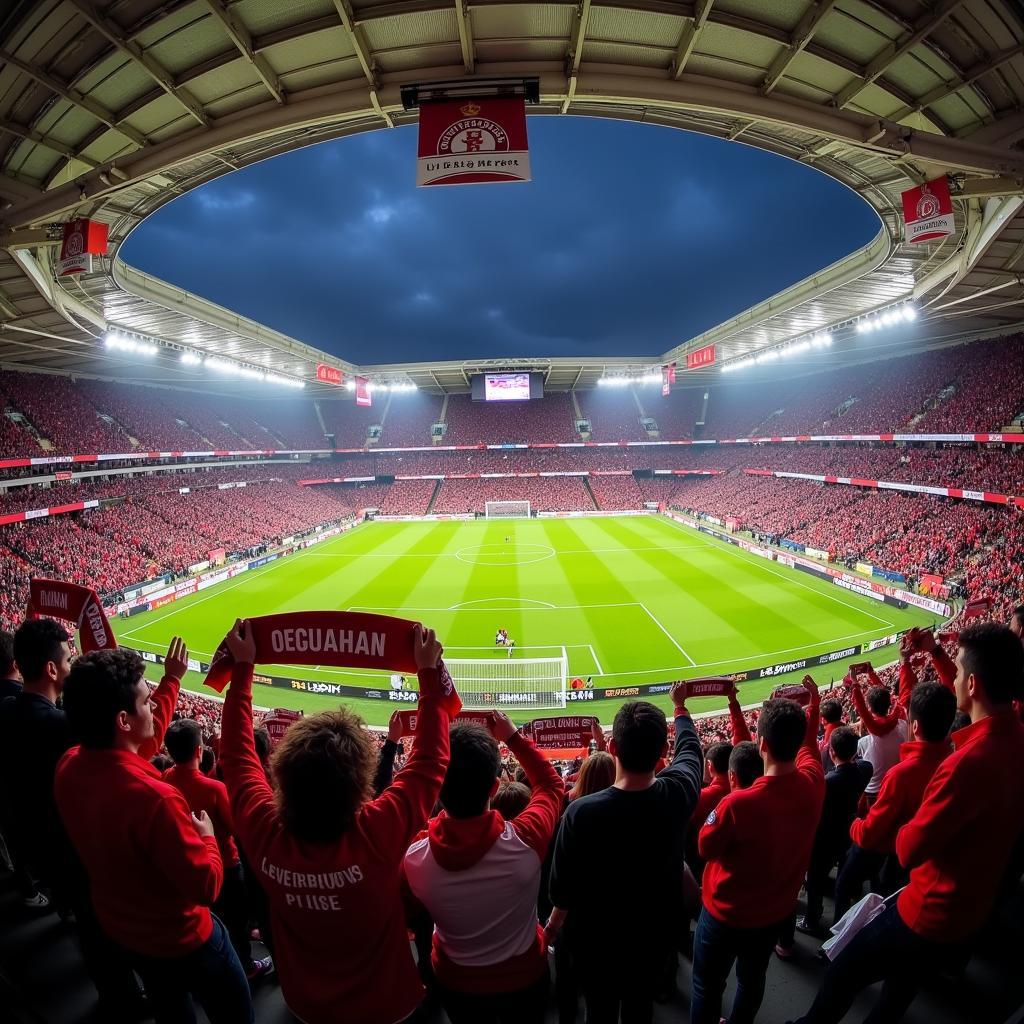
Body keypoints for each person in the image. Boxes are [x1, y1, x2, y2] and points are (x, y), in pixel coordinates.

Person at [218, 619, 453, 1024]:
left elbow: (237, 763)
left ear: (282, 774)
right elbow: (431, 761)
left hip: (306, 1005)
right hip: (387, 1005)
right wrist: (428, 675)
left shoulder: (265, 833)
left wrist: (242, 672)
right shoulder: (376, 832)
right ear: (361, 781)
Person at [792, 623, 1024, 1024]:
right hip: (973, 908)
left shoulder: (964, 766)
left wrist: (895, 816)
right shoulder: (1016, 734)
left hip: (929, 910)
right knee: (898, 994)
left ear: (973, 685)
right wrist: (935, 652)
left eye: (961, 672)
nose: (956, 679)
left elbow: (907, 848)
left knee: (842, 973)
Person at [55, 640, 253, 1024]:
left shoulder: (69, 766)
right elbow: (207, 886)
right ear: (123, 721)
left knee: (172, 1011)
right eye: (147, 702)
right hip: (183, 940)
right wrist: (208, 837)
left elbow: (135, 749)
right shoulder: (157, 799)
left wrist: (170, 682)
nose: (154, 707)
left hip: (124, 932)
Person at [0, 618, 145, 1018]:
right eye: (68, 657)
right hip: (71, 847)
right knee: (100, 929)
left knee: (85, 920)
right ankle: (124, 1000)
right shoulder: (62, 727)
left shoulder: (9, 708)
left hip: (34, 843)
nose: (71, 662)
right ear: (51, 668)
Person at [544, 682, 703, 1024]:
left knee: (599, 1012)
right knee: (639, 1008)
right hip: (652, 941)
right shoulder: (678, 794)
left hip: (595, 946)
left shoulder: (580, 813)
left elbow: (561, 891)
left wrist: (553, 926)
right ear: (663, 752)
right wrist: (681, 709)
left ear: (612, 746)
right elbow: (691, 752)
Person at [404, 711, 563, 1023]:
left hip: (456, 985)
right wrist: (512, 737)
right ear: (494, 787)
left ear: (437, 789)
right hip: (526, 980)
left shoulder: (414, 858)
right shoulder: (526, 839)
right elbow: (549, 784)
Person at [690, 677, 824, 1024]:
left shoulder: (737, 804)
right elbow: (808, 739)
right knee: (752, 981)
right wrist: (815, 703)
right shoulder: (813, 782)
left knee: (706, 985)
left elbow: (705, 846)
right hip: (774, 914)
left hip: (725, 915)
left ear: (761, 743)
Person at [163, 718, 272, 983]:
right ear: (199, 751)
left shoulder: (166, 777)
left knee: (218, 915)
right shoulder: (213, 788)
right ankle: (246, 965)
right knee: (235, 918)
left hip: (191, 861)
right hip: (225, 862)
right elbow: (236, 827)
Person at [797, 726, 871, 935]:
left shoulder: (827, 782)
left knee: (815, 879)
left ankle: (812, 918)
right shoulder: (865, 769)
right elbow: (863, 764)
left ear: (831, 753)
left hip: (825, 837)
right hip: (848, 830)